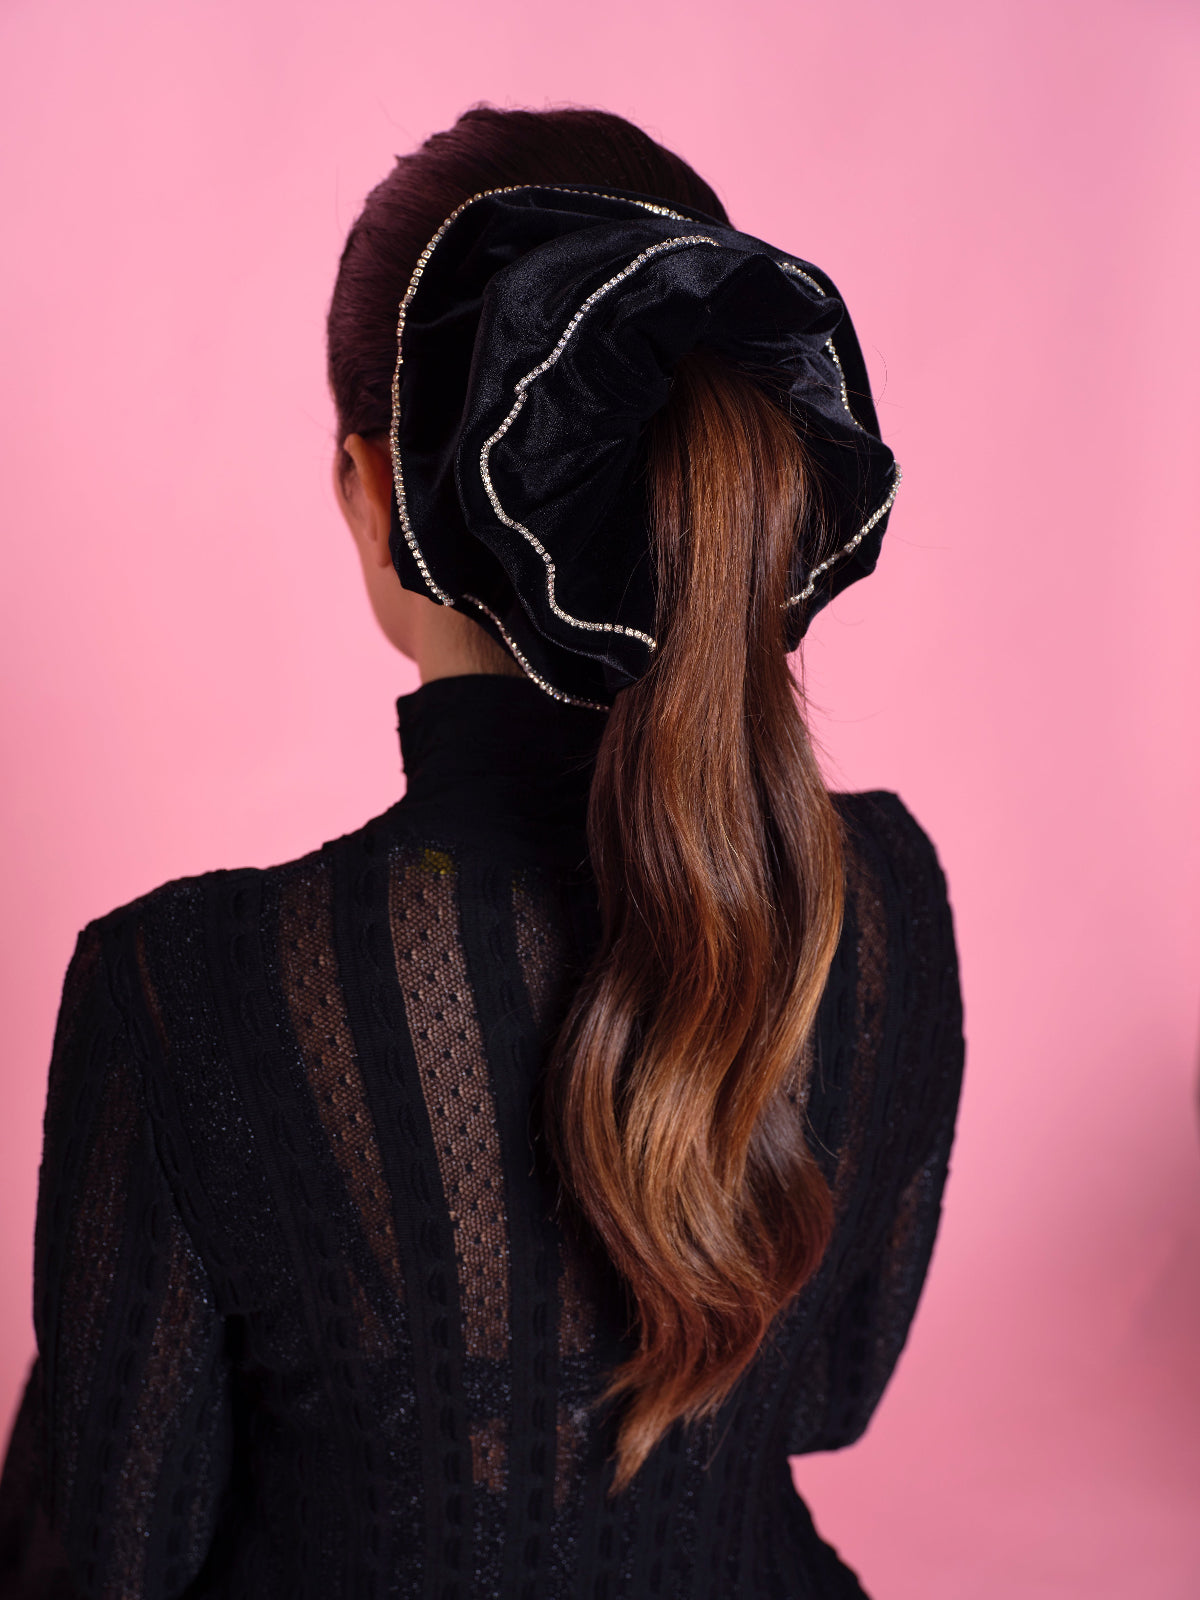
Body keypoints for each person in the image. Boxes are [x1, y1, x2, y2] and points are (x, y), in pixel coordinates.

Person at [0, 105, 964, 1599]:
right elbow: (827, 1397)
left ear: (370, 490)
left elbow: (116, 1549)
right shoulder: (881, 895)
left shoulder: (182, 989)